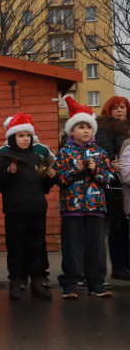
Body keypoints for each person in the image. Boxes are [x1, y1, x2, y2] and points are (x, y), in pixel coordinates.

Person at [0, 113, 55, 300]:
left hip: (36, 209)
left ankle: (37, 282)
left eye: (28, 135)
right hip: (15, 210)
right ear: (12, 136)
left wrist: (51, 178)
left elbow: (45, 186)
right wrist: (9, 173)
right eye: (21, 135)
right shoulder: (4, 156)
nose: (25, 139)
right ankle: (16, 282)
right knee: (16, 247)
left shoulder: (37, 156)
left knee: (36, 246)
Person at [55, 96, 116, 299]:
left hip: (96, 208)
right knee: (72, 248)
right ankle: (71, 283)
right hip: (71, 209)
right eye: (81, 127)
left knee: (96, 248)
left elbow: (109, 177)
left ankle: (96, 283)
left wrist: (95, 169)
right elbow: (59, 179)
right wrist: (75, 170)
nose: (86, 131)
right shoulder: (64, 153)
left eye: (89, 127)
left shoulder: (99, 153)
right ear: (72, 130)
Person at [94, 96, 130, 282]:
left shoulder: (128, 127)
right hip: (115, 182)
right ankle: (119, 267)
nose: (119, 110)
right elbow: (104, 148)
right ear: (109, 110)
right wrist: (111, 162)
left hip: (128, 180)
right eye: (115, 107)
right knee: (118, 224)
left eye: (122, 107)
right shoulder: (104, 126)